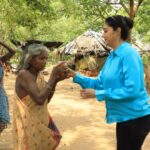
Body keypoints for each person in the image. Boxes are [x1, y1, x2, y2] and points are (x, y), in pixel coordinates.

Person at [66, 15, 150, 150]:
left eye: (105, 31)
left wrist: (99, 94)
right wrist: (76, 76)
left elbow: (132, 90)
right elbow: (99, 83)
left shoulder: (129, 54)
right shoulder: (112, 56)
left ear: (117, 31)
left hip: (136, 118)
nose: (102, 34)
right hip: (125, 118)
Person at [14, 44, 67, 150]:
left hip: (40, 121)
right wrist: (52, 76)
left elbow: (46, 100)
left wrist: (56, 80)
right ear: (30, 59)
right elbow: (39, 100)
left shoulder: (39, 75)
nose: (44, 61)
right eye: (41, 58)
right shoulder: (24, 74)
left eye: (46, 58)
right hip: (28, 124)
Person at [0, 40, 16, 133]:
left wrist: (1, 42)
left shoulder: (1, 60)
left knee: (1, 122)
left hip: (0, 95)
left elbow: (12, 51)